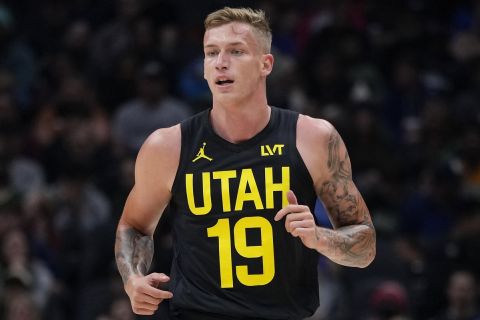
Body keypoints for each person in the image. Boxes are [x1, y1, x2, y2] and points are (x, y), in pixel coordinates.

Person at [114, 7, 376, 320]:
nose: (221, 62)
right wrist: (132, 278)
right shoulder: (167, 146)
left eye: (236, 51)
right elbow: (135, 226)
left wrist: (319, 237)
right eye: (211, 53)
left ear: (266, 64)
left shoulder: (313, 138)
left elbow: (365, 246)